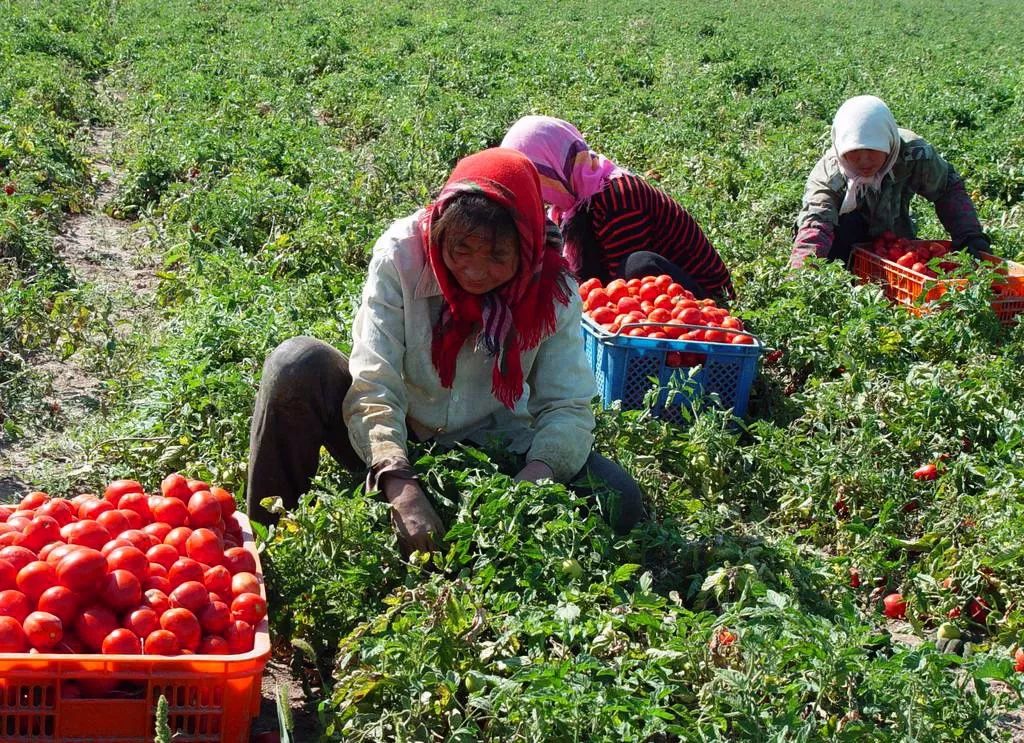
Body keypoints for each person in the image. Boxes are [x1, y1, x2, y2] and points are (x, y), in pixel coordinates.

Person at [245, 148, 645, 553]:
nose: (475, 270)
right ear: (440, 234)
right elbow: (374, 382)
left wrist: (532, 483)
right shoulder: (401, 256)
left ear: (525, 248)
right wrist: (398, 481)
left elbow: (567, 405)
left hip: (498, 446)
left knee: (619, 498)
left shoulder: (550, 288)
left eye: (497, 256)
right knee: (296, 363)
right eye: (462, 250)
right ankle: (268, 544)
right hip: (404, 429)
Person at [501, 115, 734, 301]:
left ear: (551, 169)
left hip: (704, 297)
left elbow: (625, 289)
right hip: (666, 290)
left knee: (637, 265)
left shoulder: (616, 197)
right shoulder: (570, 203)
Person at [789, 95, 990, 269]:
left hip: (893, 240)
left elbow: (947, 189)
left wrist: (970, 238)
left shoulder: (913, 154)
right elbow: (815, 226)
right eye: (853, 153)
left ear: (888, 143)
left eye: (873, 150)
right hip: (843, 239)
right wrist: (803, 275)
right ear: (840, 147)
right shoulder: (829, 174)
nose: (864, 161)